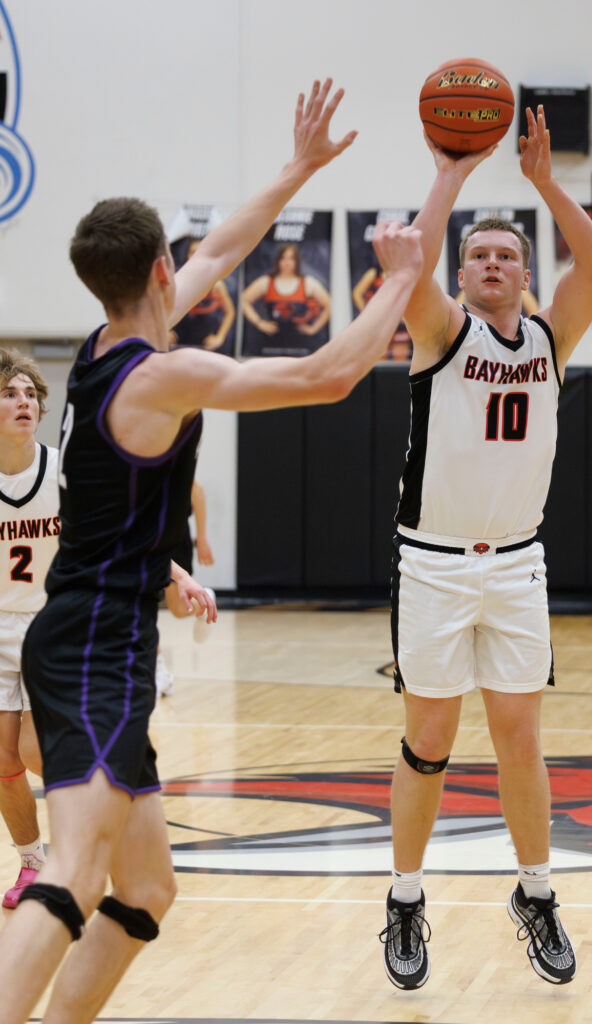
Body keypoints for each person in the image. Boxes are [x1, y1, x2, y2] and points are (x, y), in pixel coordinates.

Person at [0, 78, 424, 1024]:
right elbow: (327, 372)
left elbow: (225, 249)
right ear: (159, 270)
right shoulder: (166, 373)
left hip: (90, 635)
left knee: (145, 888)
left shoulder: (110, 339)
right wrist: (397, 276)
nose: (191, 270)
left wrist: (298, 170)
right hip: (97, 648)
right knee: (71, 872)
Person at [378, 105, 592, 991]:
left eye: (508, 255)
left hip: (517, 563)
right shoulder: (440, 334)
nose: (493, 264)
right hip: (433, 563)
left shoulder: (552, 337)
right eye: (478, 256)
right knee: (428, 739)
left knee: (520, 736)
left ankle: (537, 893)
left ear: (523, 273)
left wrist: (547, 182)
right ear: (463, 275)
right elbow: (413, 268)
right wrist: (454, 172)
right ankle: (404, 898)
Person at [0, 349, 54, 909]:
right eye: (10, 393)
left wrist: (179, 574)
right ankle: (33, 863)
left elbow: (122, 529)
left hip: (49, 625)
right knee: (2, 759)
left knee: (38, 751)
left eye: (30, 393)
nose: (24, 402)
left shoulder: (62, 469)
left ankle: (92, 836)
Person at [156, 479, 216, 696]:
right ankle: (158, 668)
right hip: (153, 533)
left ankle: (158, 670)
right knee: (159, 607)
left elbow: (196, 489)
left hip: (170, 534)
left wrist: (201, 538)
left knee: (171, 608)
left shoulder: (164, 453)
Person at [241, 241, 331, 354]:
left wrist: (313, 328)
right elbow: (243, 300)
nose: (287, 262)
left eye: (291, 258)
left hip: (300, 346)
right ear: (278, 260)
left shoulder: (308, 283)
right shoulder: (266, 282)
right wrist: (259, 323)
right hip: (269, 344)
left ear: (296, 261)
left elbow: (329, 305)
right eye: (283, 258)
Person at [172, 238, 236, 352]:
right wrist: (165, 332)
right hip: (178, 343)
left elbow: (230, 312)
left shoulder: (216, 285)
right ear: (187, 255)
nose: (195, 257)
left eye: (199, 253)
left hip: (206, 345)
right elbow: (161, 309)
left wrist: (220, 337)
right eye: (192, 252)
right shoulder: (177, 281)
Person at [352, 263, 412, 360]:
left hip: (399, 323)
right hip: (379, 324)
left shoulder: (404, 272)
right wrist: (367, 314)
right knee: (380, 359)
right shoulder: (374, 273)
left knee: (401, 361)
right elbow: (357, 293)